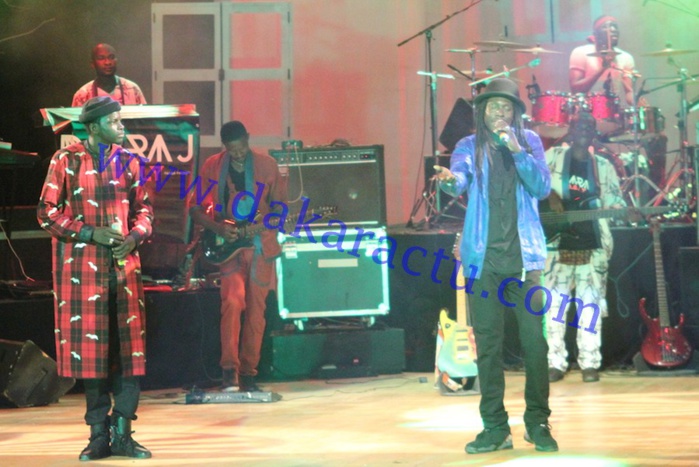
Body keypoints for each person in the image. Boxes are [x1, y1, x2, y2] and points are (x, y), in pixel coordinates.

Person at [435, 78, 558, 453]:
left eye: (506, 107)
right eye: (493, 107)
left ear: (516, 113)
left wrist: (517, 150)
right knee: (488, 347)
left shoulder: (530, 141)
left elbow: (542, 187)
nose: (500, 113)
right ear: (482, 113)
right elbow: (459, 179)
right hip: (483, 261)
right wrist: (449, 181)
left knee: (535, 345)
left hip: (525, 260)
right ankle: (495, 427)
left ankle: (537, 422)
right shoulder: (468, 146)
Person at [37, 96, 154, 461]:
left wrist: (135, 236)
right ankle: (98, 435)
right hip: (82, 275)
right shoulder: (65, 160)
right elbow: (46, 213)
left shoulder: (131, 161)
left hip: (124, 271)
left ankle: (123, 431)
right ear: (93, 127)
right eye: (115, 122)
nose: (122, 127)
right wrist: (90, 233)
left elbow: (145, 210)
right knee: (91, 355)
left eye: (121, 120)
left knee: (129, 352)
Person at [189, 121, 285, 393]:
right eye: (233, 151)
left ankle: (248, 373)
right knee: (231, 302)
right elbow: (195, 209)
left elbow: (280, 209)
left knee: (256, 311)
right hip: (228, 247)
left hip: (260, 247)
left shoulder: (268, 166)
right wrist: (218, 228)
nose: (239, 154)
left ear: (248, 140)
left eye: (242, 149)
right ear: (225, 147)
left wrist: (275, 220)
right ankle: (229, 372)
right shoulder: (212, 166)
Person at [543, 112, 626, 383]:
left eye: (589, 127)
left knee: (590, 306)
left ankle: (589, 362)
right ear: (569, 130)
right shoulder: (552, 157)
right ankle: (555, 362)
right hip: (557, 243)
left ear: (594, 134)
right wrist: (550, 197)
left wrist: (619, 209)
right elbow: (533, 185)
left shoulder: (602, 166)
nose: (583, 130)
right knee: (554, 306)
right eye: (579, 126)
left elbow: (616, 200)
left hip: (592, 243)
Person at [569, 16, 635, 106]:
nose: (613, 30)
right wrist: (603, 68)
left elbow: (629, 92)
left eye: (615, 26)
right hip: (586, 110)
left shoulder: (626, 57)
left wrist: (636, 101)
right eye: (606, 27)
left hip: (614, 110)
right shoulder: (581, 52)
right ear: (595, 34)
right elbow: (575, 90)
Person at [72, 43, 147, 107]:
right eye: (101, 58)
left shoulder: (132, 89)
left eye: (111, 57)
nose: (107, 62)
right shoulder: (83, 95)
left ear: (116, 61)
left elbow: (145, 117)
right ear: (92, 64)